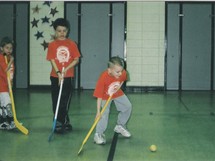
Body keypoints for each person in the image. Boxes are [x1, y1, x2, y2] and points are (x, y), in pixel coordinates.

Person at [46, 18, 81, 134]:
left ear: (67, 31)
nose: (61, 33)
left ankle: (63, 122)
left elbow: (76, 59)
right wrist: (58, 73)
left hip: (68, 77)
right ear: (55, 31)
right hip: (55, 76)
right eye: (59, 31)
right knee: (55, 100)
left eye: (64, 31)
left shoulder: (71, 44)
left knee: (64, 101)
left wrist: (66, 69)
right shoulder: (52, 45)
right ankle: (59, 121)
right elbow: (52, 60)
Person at [93, 56, 132, 144]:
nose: (120, 73)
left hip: (116, 91)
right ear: (109, 70)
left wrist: (118, 87)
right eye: (117, 72)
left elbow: (123, 79)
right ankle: (98, 134)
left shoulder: (123, 73)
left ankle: (120, 126)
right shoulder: (103, 78)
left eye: (121, 71)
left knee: (127, 106)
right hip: (105, 95)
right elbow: (99, 97)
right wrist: (98, 112)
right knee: (104, 114)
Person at [0, 36, 15, 130]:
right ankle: (10, 121)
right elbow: (6, 69)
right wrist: (11, 61)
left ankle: (5, 122)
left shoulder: (8, 57)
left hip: (7, 85)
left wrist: (11, 82)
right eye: (7, 48)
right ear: (1, 48)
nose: (9, 50)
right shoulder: (2, 58)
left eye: (11, 48)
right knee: (7, 103)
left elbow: (11, 72)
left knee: (3, 104)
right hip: (1, 85)